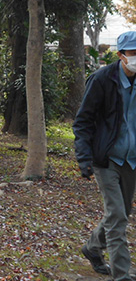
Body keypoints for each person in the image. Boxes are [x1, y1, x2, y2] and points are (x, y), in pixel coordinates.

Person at [74, 30, 136, 279]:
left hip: (131, 160)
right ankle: (121, 274)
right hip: (105, 158)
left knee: (120, 213)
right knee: (117, 217)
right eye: (133, 53)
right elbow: (83, 121)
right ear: (121, 55)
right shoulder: (101, 79)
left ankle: (91, 248)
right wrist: (84, 158)